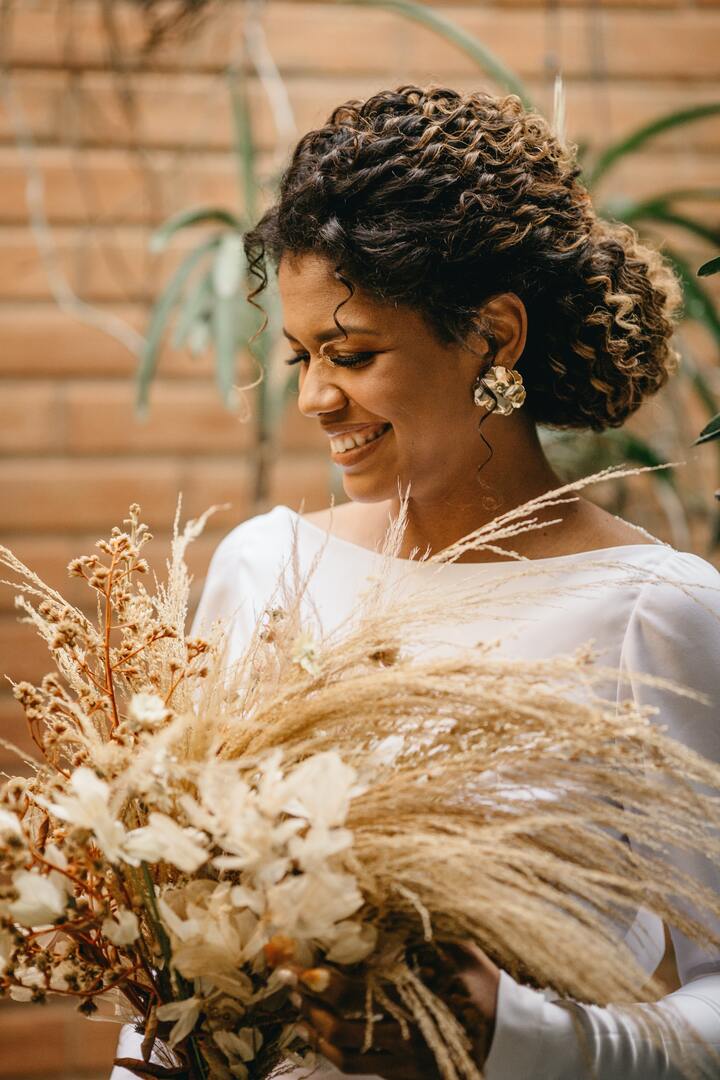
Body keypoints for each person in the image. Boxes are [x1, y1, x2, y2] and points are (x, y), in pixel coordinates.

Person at [112, 84, 720, 1079]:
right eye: (302, 354)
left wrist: (521, 1039)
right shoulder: (266, 570)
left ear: (496, 337)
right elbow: (176, 946)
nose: (313, 396)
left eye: (350, 352)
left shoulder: (660, 611)